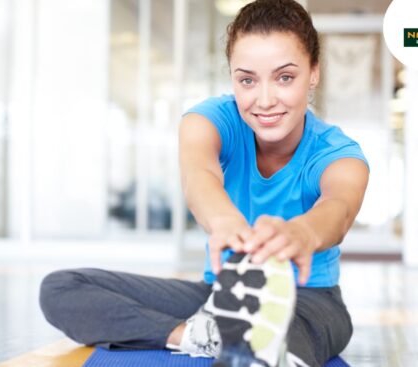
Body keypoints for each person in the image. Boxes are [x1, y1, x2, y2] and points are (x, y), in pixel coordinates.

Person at [39, 0, 369, 366]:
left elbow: (338, 208)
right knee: (62, 289)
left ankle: (249, 345)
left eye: (285, 77)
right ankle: (197, 335)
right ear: (232, 78)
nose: (264, 100)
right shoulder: (210, 120)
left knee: (275, 341)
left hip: (309, 299)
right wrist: (225, 222)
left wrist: (302, 234)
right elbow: (200, 174)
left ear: (313, 73)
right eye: (247, 79)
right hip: (219, 296)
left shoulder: (339, 153)